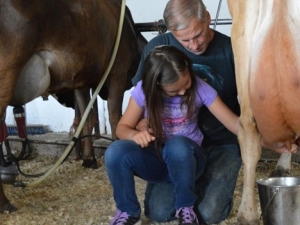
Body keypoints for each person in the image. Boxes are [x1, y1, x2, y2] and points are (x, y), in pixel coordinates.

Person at [131, 0, 241, 224]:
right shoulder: (158, 49)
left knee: (209, 214)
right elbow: (143, 97)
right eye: (184, 40)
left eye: (198, 34)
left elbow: (248, 108)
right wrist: (142, 124)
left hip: (221, 141)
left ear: (208, 18)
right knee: (159, 213)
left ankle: (205, 191)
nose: (194, 45)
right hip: (174, 146)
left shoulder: (233, 49)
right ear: (172, 32)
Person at [105, 45, 239, 225]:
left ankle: (186, 208)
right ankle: (127, 212)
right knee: (115, 151)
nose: (183, 92)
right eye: (174, 91)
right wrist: (134, 135)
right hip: (160, 160)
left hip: (189, 160)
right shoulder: (143, 91)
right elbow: (122, 128)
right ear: (157, 85)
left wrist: (266, 139)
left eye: (186, 83)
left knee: (177, 145)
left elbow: (233, 123)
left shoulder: (200, 87)